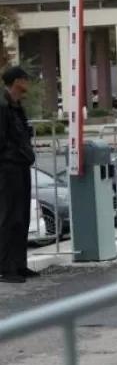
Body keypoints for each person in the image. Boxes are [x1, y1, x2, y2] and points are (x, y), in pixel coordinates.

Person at [0, 66, 38, 284]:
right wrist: (16, 154)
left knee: (22, 216)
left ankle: (19, 264)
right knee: (9, 216)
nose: (28, 83)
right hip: (8, 168)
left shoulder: (17, 106)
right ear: (16, 81)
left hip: (21, 166)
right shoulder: (3, 107)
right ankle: (6, 268)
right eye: (24, 79)